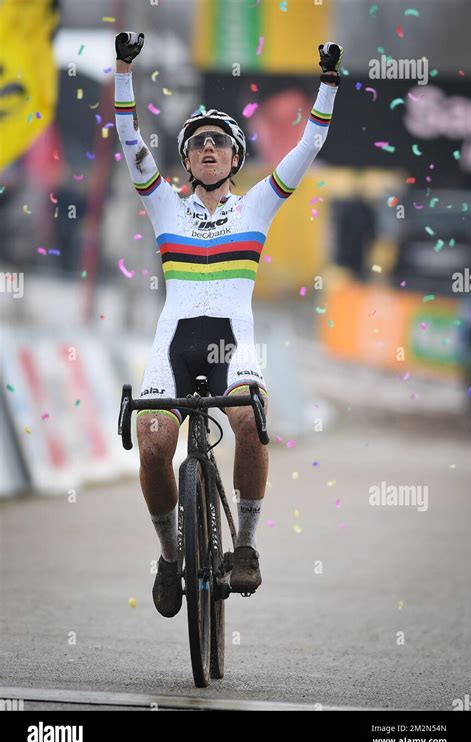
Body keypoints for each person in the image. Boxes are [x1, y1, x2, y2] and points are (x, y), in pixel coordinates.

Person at [114, 32, 342, 617]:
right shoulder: (164, 204)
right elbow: (128, 138)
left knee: (248, 420)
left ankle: (245, 546)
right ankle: (170, 558)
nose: (208, 149)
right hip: (174, 342)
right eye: (197, 144)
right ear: (186, 160)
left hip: (232, 343)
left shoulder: (256, 206)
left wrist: (328, 84)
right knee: (152, 443)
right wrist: (122, 69)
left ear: (236, 158)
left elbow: (309, 145)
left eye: (219, 142)